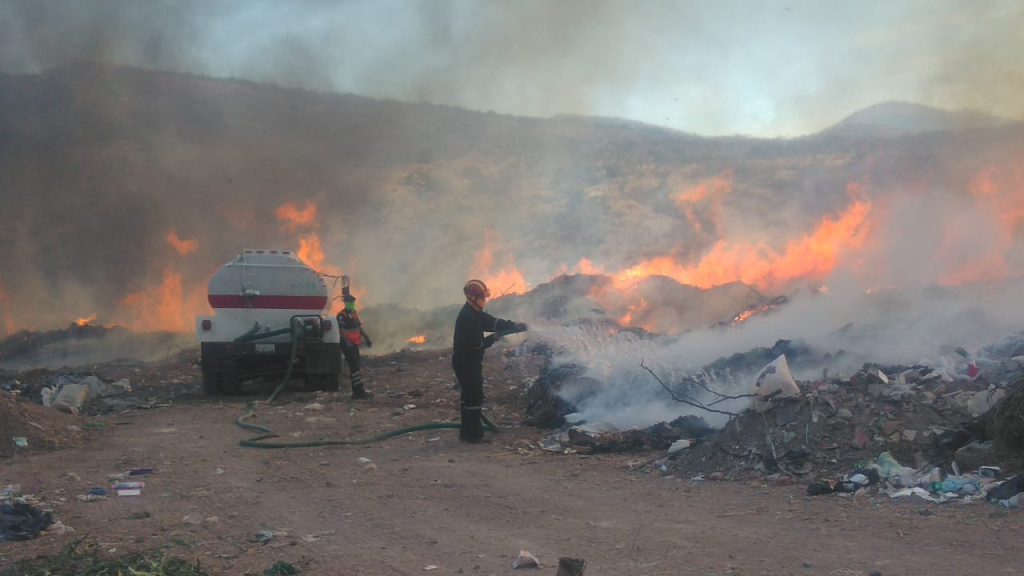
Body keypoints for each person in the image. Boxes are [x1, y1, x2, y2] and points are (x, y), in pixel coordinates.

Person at [452, 279, 527, 443]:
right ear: (473, 298)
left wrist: (514, 325)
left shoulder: (475, 313)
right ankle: (472, 436)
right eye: (482, 297)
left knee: (471, 397)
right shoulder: (467, 317)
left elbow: (492, 322)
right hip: (466, 363)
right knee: (473, 397)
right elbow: (475, 345)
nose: (484, 301)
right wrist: (495, 337)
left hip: (469, 362)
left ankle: (468, 434)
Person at [337, 293, 373, 399]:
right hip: (347, 344)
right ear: (345, 303)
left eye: (352, 303)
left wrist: (366, 338)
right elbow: (341, 330)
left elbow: (358, 327)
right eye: (350, 303)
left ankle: (358, 390)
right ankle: (358, 392)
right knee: (354, 366)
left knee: (356, 366)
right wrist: (347, 342)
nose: (352, 304)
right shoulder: (341, 315)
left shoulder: (354, 313)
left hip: (355, 343)